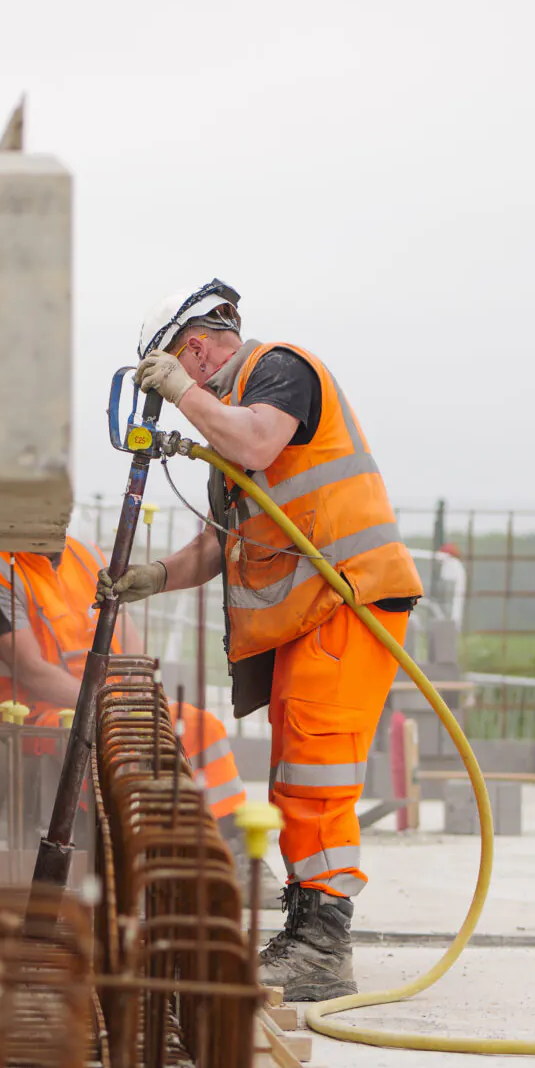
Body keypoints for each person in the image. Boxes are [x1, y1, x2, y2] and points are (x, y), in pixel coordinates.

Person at [105, 281, 422, 1001]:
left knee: (317, 777)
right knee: (295, 779)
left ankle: (321, 946)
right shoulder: (230, 421)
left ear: (190, 348)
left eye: (172, 371)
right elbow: (220, 545)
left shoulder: (280, 371)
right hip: (313, 617)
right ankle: (308, 928)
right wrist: (153, 575)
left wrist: (184, 392)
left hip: (350, 598)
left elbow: (254, 439)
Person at [0, 532, 248, 843]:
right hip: (38, 713)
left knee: (199, 726)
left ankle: (221, 840)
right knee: (112, 745)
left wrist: (142, 691)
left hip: (110, 704)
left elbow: (128, 636)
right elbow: (32, 673)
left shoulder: (88, 556)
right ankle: (121, 842)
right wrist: (111, 706)